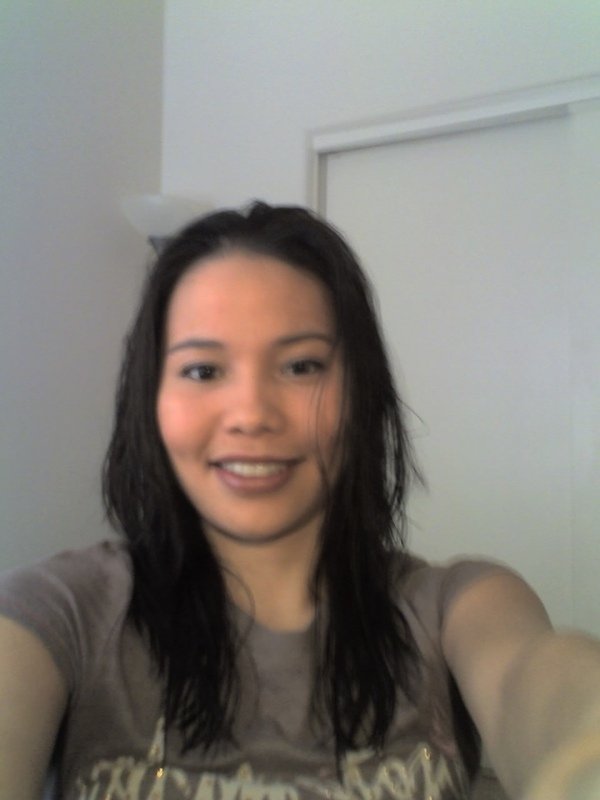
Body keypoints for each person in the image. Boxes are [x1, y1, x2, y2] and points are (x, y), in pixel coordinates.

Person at [0, 202, 598, 800]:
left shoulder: (453, 608)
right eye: (203, 371)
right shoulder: (64, 611)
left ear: (359, 391)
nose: (252, 415)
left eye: (302, 366)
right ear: (150, 397)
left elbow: (541, 687)